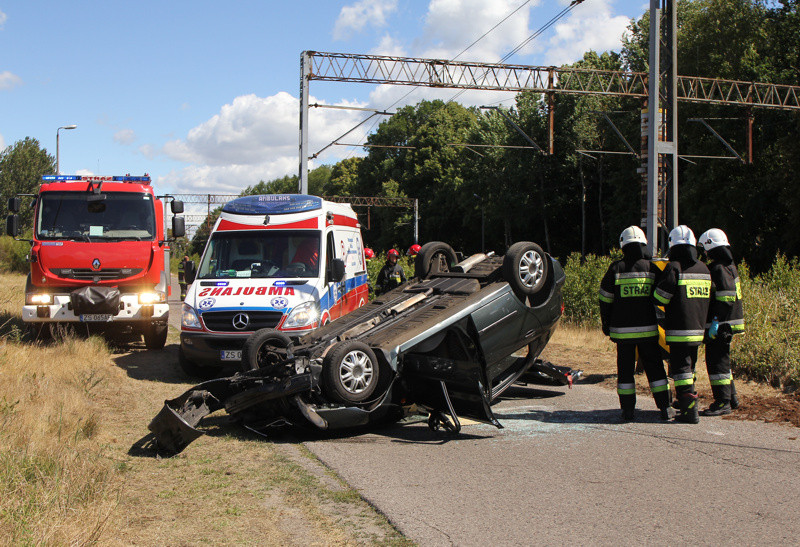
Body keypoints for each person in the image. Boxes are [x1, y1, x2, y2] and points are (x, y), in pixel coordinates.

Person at [599, 226, 672, 421]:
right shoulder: (652, 268)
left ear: (623, 246)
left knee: (625, 373)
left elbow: (605, 298)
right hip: (648, 332)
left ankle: (628, 411)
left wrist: (605, 322)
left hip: (623, 334)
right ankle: (665, 407)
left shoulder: (616, 268)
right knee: (655, 369)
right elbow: (664, 294)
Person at [654, 225, 711, 424]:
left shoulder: (674, 267)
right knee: (690, 369)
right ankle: (687, 403)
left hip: (679, 330)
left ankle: (689, 412)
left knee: (681, 371)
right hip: (698, 330)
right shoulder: (704, 269)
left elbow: (661, 297)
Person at [698, 228, 744, 416]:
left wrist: (715, 321)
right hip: (729, 323)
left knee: (717, 362)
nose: (705, 254)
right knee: (723, 361)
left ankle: (722, 402)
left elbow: (725, 298)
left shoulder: (718, 268)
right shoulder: (730, 266)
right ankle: (731, 398)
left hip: (722, 324)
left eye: (705, 250)